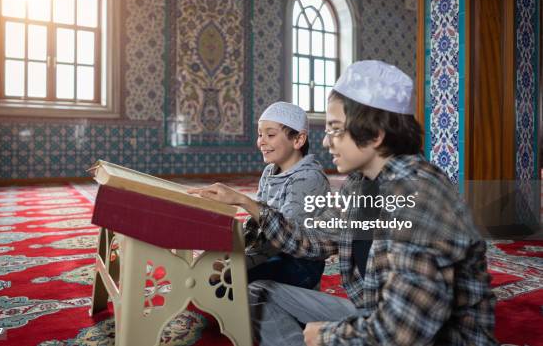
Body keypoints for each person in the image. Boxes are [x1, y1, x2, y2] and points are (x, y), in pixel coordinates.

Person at [191, 61, 497, 345]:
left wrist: (326, 336)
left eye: (335, 129)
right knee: (258, 293)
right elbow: (310, 240)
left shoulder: (419, 199)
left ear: (375, 135)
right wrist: (246, 203)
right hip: (371, 310)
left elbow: (403, 332)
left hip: (430, 338)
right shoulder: (359, 184)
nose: (325, 142)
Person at [190, 101, 329, 289]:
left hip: (300, 264)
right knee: (212, 271)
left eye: (270, 135)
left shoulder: (310, 178)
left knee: (224, 283)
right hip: (272, 253)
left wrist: (242, 200)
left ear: (298, 140)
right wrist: (231, 255)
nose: (261, 141)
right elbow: (257, 228)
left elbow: (288, 239)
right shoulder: (270, 172)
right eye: (260, 134)